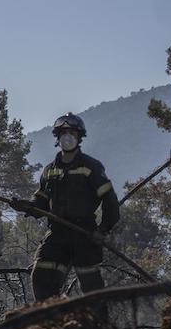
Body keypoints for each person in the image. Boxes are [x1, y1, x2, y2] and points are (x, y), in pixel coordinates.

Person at [11, 112, 120, 304]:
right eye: (63, 133)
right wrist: (27, 206)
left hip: (84, 234)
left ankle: (98, 321)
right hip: (57, 233)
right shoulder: (50, 170)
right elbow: (41, 201)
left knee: (92, 288)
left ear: (79, 137)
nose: (67, 137)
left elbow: (110, 202)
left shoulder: (91, 167)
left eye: (72, 133)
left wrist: (103, 230)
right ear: (57, 137)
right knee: (41, 275)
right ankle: (50, 317)